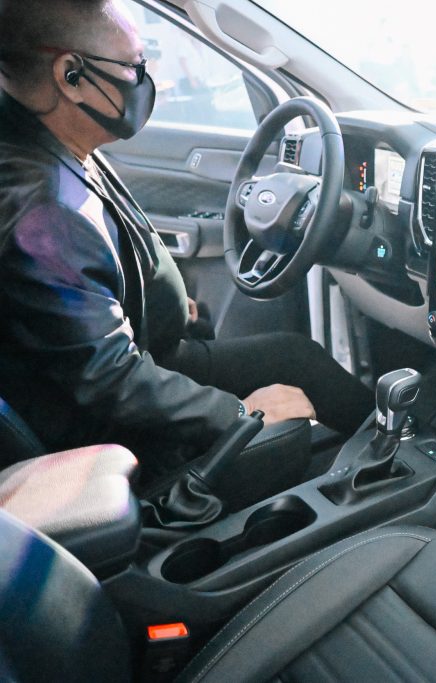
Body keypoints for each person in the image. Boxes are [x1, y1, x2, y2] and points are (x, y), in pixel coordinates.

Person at [0, 0, 373, 479]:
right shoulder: (44, 210)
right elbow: (109, 382)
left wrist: (155, 303)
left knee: (297, 358)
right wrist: (242, 415)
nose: (146, 78)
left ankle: (394, 451)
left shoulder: (44, 137)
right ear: (71, 76)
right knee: (289, 420)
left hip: (144, 356)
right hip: (109, 440)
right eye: (135, 65)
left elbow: (80, 298)